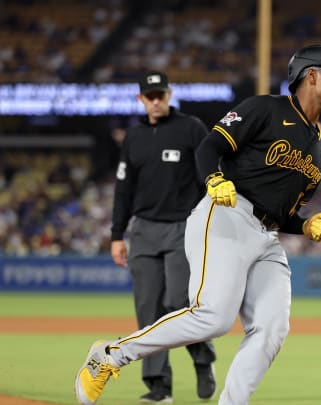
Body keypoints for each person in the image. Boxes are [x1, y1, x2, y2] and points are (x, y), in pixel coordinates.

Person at [75, 44, 321, 405]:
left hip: (266, 235)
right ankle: (110, 355)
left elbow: (284, 211)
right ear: (311, 75)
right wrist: (213, 178)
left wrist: (303, 225)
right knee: (213, 318)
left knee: (272, 329)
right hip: (226, 214)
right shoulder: (265, 108)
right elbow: (209, 147)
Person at [107, 70, 217, 403]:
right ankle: (158, 386)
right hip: (143, 230)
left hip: (182, 228)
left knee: (179, 303)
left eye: (160, 94)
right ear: (141, 99)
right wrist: (116, 234)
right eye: (149, 96)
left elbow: (209, 174)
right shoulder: (134, 137)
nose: (155, 100)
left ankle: (202, 358)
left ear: (169, 95)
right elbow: (123, 190)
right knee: (147, 310)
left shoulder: (191, 128)